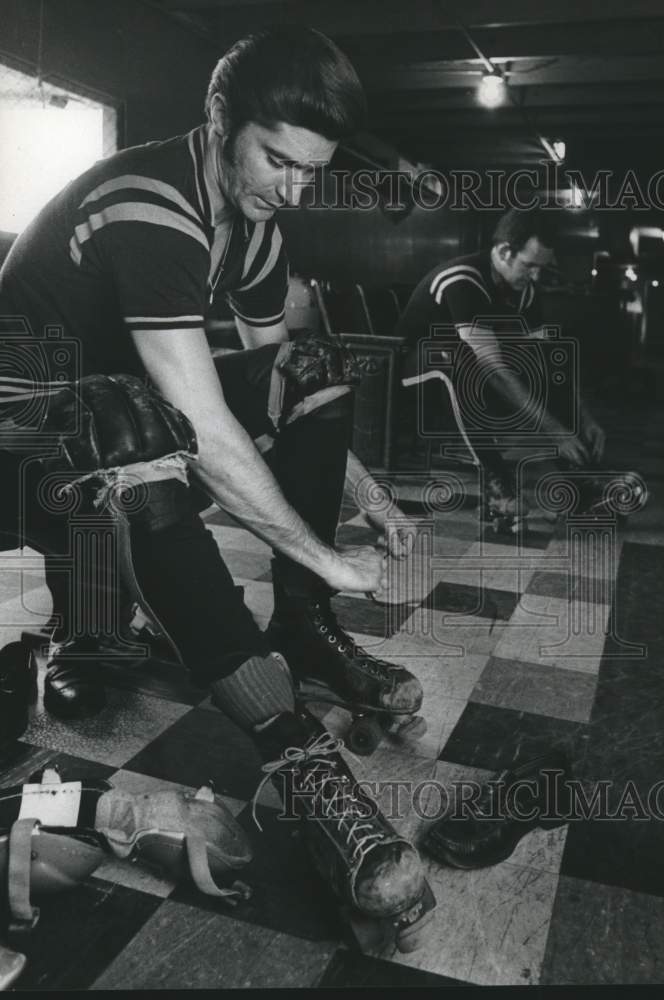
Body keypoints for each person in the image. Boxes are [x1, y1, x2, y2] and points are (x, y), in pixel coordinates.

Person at [0, 28, 431, 931]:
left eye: (311, 171)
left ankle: (305, 632)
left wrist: (368, 501)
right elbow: (201, 426)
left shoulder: (257, 228)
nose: (291, 188)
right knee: (141, 425)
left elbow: (285, 397)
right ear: (218, 120)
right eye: (277, 159)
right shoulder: (152, 204)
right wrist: (319, 547)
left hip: (109, 425)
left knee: (309, 367)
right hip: (20, 445)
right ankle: (303, 765)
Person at [395, 208, 606, 528]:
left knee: (544, 367)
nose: (536, 275)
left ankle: (577, 482)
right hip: (415, 374)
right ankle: (496, 479)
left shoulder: (526, 291)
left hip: (472, 371)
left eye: (542, 267)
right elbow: (492, 368)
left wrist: (582, 417)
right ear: (505, 252)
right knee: (463, 360)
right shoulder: (463, 278)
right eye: (530, 265)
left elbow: (548, 362)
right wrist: (552, 429)